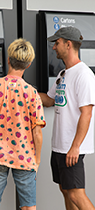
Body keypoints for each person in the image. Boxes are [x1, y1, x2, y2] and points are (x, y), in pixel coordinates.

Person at [0, 38, 46, 210]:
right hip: (25, 154)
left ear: (8, 60)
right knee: (29, 206)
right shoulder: (32, 93)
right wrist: (37, 160)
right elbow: (37, 133)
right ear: (28, 65)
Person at [39, 26, 95, 210]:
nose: (54, 47)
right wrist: (24, 90)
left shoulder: (84, 75)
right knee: (65, 189)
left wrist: (75, 147)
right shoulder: (64, 74)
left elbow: (87, 113)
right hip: (60, 146)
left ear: (68, 44)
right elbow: (49, 100)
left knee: (76, 193)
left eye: (57, 43)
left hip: (72, 147)